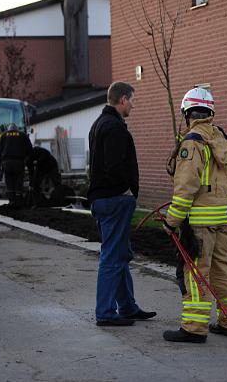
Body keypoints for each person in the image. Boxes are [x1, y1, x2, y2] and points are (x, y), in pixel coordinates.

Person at [162, 86, 227, 343]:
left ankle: (194, 328)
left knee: (196, 274)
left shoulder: (192, 142)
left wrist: (172, 222)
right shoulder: (222, 139)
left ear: (188, 114)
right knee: (222, 270)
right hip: (220, 220)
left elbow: (185, 187)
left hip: (198, 223)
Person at [87, 81, 155, 326]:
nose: (133, 106)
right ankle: (105, 312)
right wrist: (126, 191)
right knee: (112, 257)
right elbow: (113, 167)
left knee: (120, 253)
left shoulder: (98, 125)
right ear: (123, 100)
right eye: (132, 100)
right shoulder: (114, 128)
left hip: (103, 198)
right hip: (114, 199)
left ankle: (127, 306)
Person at [0, 123, 33, 207]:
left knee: (9, 181)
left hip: (6, 162)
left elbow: (0, 149)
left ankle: (11, 201)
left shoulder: (3, 135)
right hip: (19, 162)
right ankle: (18, 201)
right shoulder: (23, 135)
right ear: (17, 129)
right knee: (18, 181)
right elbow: (29, 149)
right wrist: (26, 159)